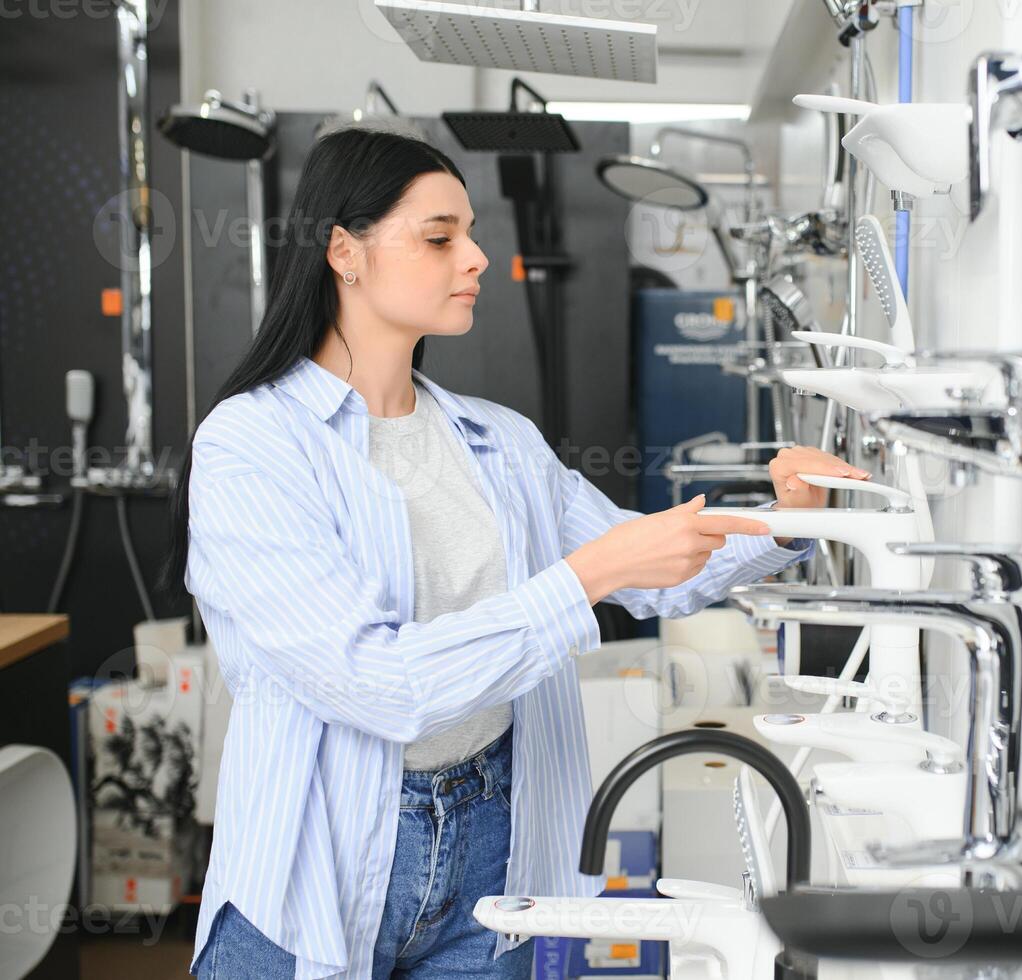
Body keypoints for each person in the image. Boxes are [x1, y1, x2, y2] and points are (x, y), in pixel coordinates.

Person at [157, 126, 864, 980]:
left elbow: (659, 576)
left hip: (492, 838)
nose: (477, 258)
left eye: (471, 233)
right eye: (440, 237)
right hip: (318, 851)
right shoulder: (255, 444)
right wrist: (590, 574)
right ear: (344, 252)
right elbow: (380, 685)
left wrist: (787, 521)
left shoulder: (496, 439)